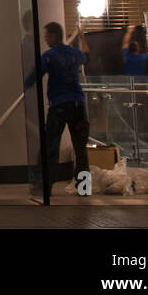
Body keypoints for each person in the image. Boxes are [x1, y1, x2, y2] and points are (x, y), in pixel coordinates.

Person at [38, 21, 90, 190]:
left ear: (54, 36)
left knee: (51, 146)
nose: (45, 39)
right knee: (80, 149)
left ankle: (46, 185)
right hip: (77, 105)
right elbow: (85, 54)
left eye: (46, 36)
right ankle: (84, 188)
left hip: (59, 106)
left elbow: (36, 74)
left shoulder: (49, 56)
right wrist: (81, 36)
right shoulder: (73, 53)